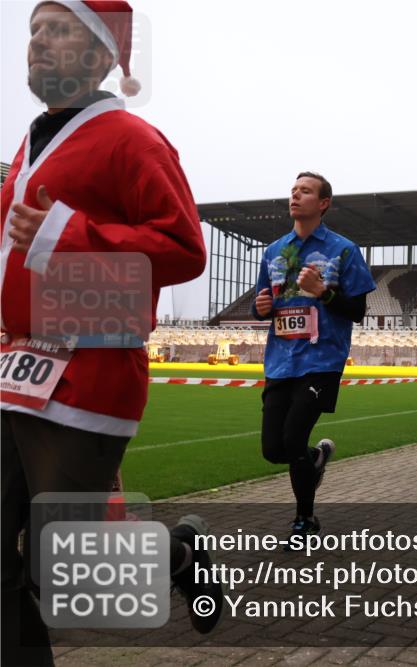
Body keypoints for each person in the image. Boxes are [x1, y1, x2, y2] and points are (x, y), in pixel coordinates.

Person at [1, 3, 221, 663]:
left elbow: (183, 249)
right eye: (34, 28)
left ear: (101, 57)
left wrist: (67, 234)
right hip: (16, 369)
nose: (40, 40)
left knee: (68, 568)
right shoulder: (29, 144)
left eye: (60, 29)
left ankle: (179, 553)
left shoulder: (133, 139)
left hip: (90, 371)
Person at [252, 172, 375, 547]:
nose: (296, 195)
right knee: (274, 449)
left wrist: (322, 291)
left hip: (322, 360)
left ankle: (305, 519)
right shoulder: (273, 251)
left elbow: (357, 310)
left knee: (292, 438)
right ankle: (315, 459)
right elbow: (264, 304)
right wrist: (260, 309)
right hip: (280, 361)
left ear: (323, 203)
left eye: (305, 191)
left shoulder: (343, 250)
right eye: (293, 190)